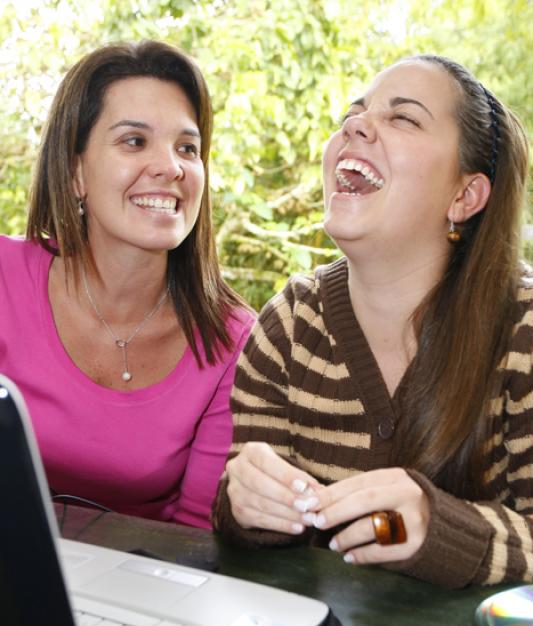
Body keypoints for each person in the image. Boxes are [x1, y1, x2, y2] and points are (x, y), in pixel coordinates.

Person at [212, 54, 532, 587]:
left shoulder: (522, 326)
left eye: (403, 118)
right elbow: (241, 535)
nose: (354, 125)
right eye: (352, 115)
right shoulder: (289, 325)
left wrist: (441, 529)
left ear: (465, 195)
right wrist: (244, 504)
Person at [0, 40, 254, 528]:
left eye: (188, 148)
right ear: (76, 172)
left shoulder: (233, 340)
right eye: (135, 141)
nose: (171, 166)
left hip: (143, 590)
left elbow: (196, 539)